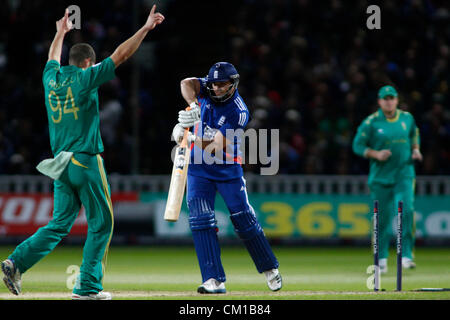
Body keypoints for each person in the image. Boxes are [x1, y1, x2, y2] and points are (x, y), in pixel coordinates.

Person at [1, 6, 164, 300]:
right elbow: (121, 55)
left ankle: (17, 261)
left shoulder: (51, 79)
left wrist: (59, 32)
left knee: (59, 223)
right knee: (102, 223)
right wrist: (145, 29)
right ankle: (87, 287)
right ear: (88, 63)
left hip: (60, 164)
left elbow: (52, 57)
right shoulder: (85, 79)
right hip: (85, 160)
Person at [172, 62, 282, 293]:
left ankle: (270, 268)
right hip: (199, 170)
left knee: (244, 220)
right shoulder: (204, 88)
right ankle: (213, 280)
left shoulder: (238, 111)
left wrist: (189, 139)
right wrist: (192, 106)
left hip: (227, 169)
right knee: (201, 220)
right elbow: (186, 83)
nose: (218, 88)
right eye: (214, 84)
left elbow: (217, 146)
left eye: (223, 84)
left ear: (233, 84)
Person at [352, 85, 422, 273]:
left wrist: (416, 149)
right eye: (385, 98)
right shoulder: (371, 122)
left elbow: (414, 133)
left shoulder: (407, 118)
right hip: (380, 179)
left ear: (397, 100)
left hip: (404, 176)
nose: (389, 101)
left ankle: (407, 254)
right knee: (381, 219)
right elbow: (357, 145)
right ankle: (381, 258)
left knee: (406, 211)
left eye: (392, 98)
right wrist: (375, 154)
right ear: (379, 101)